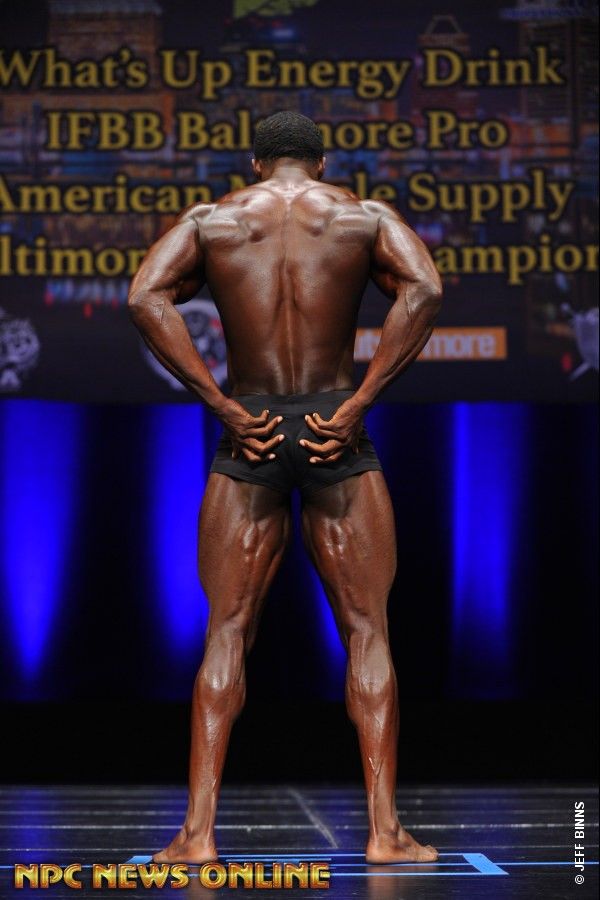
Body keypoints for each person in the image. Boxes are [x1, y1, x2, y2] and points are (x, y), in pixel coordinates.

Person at [128, 110, 442, 864]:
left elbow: (144, 297)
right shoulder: (363, 217)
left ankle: (197, 834)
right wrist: (361, 400)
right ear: (322, 161)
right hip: (336, 427)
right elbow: (425, 289)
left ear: (256, 162)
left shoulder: (212, 220)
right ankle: (384, 832)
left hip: (253, 429)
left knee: (227, 631)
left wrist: (221, 404)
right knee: (367, 632)